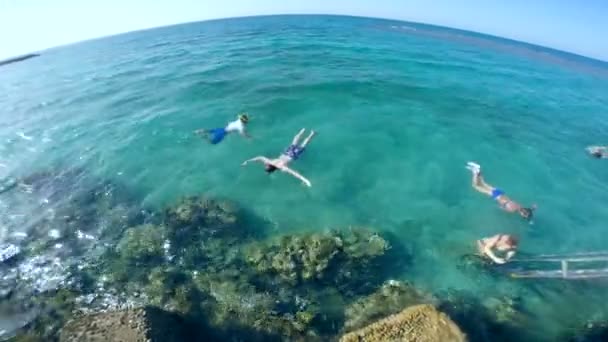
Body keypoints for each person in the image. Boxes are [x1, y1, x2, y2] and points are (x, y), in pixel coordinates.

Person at [242, 128, 315, 187]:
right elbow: (260, 157)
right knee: (296, 142)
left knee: (301, 144)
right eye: (266, 166)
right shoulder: (277, 165)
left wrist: (248, 161)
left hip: (289, 154)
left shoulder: (279, 166)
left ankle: (310, 133)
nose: (265, 165)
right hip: (290, 154)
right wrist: (247, 161)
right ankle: (306, 132)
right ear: (270, 166)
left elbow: (295, 174)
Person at [466, 162, 536, 221]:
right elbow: (500, 208)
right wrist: (497, 208)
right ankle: (475, 172)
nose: (522, 216)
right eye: (523, 216)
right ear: (523, 213)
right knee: (475, 186)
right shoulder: (513, 211)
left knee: (483, 183)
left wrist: (533, 208)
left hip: (501, 192)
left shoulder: (520, 206)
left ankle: (477, 169)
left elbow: (530, 209)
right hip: (496, 196)